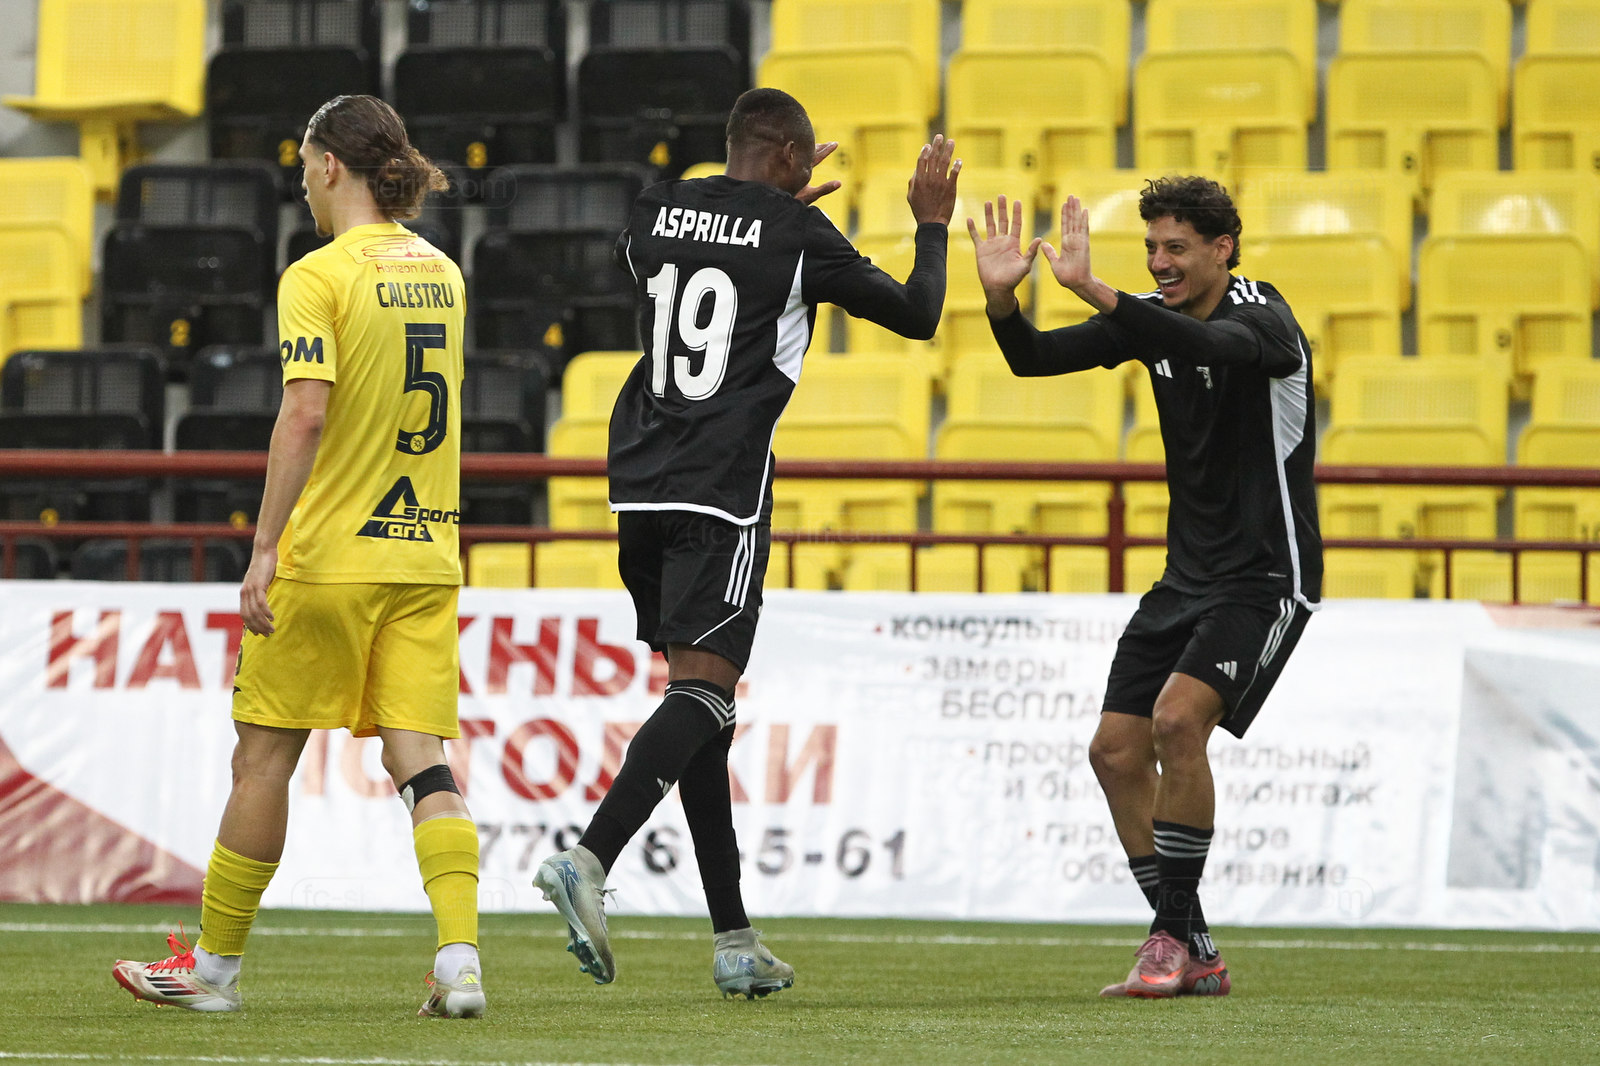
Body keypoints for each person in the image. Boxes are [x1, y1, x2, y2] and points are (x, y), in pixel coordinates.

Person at [532, 87, 960, 998]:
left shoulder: (657, 208)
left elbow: (674, 259)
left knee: (702, 710)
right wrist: (930, 224)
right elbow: (920, 313)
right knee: (705, 694)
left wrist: (758, 211)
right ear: (796, 160)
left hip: (637, 482)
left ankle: (734, 940)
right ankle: (589, 858)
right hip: (722, 488)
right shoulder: (801, 235)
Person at [113, 95, 484, 1019]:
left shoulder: (319, 274)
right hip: (425, 555)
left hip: (330, 556)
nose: (303, 186)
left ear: (329, 166)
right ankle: (460, 962)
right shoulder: (444, 271)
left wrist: (265, 545)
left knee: (263, 760)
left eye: (304, 168)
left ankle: (213, 971)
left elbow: (306, 413)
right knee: (423, 759)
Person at [968, 176, 1322, 998]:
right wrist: (1001, 303)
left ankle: (1166, 938)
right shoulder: (1153, 320)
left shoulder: (1264, 317)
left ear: (1223, 249)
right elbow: (1032, 359)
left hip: (1266, 575)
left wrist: (1098, 290)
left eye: (1177, 248)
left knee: (1175, 721)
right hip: (1184, 577)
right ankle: (1194, 948)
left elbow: (1214, 347)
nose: (1160, 262)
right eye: (1151, 248)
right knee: (1115, 751)